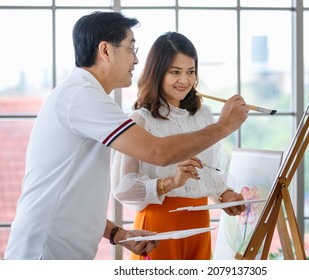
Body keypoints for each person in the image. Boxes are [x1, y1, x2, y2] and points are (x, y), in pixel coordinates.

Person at [4, 12, 249, 260]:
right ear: (105, 50)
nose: (136, 59)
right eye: (131, 48)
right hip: (45, 252)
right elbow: (158, 152)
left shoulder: (86, 96)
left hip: (57, 248)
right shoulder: (83, 97)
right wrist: (223, 126)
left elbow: (73, 195)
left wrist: (117, 234)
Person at [111, 32, 246, 260]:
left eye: (190, 72)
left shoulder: (204, 116)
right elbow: (123, 188)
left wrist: (226, 195)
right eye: (175, 72)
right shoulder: (140, 120)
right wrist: (170, 183)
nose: (184, 80)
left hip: (200, 228)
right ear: (157, 72)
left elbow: (211, 176)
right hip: (157, 230)